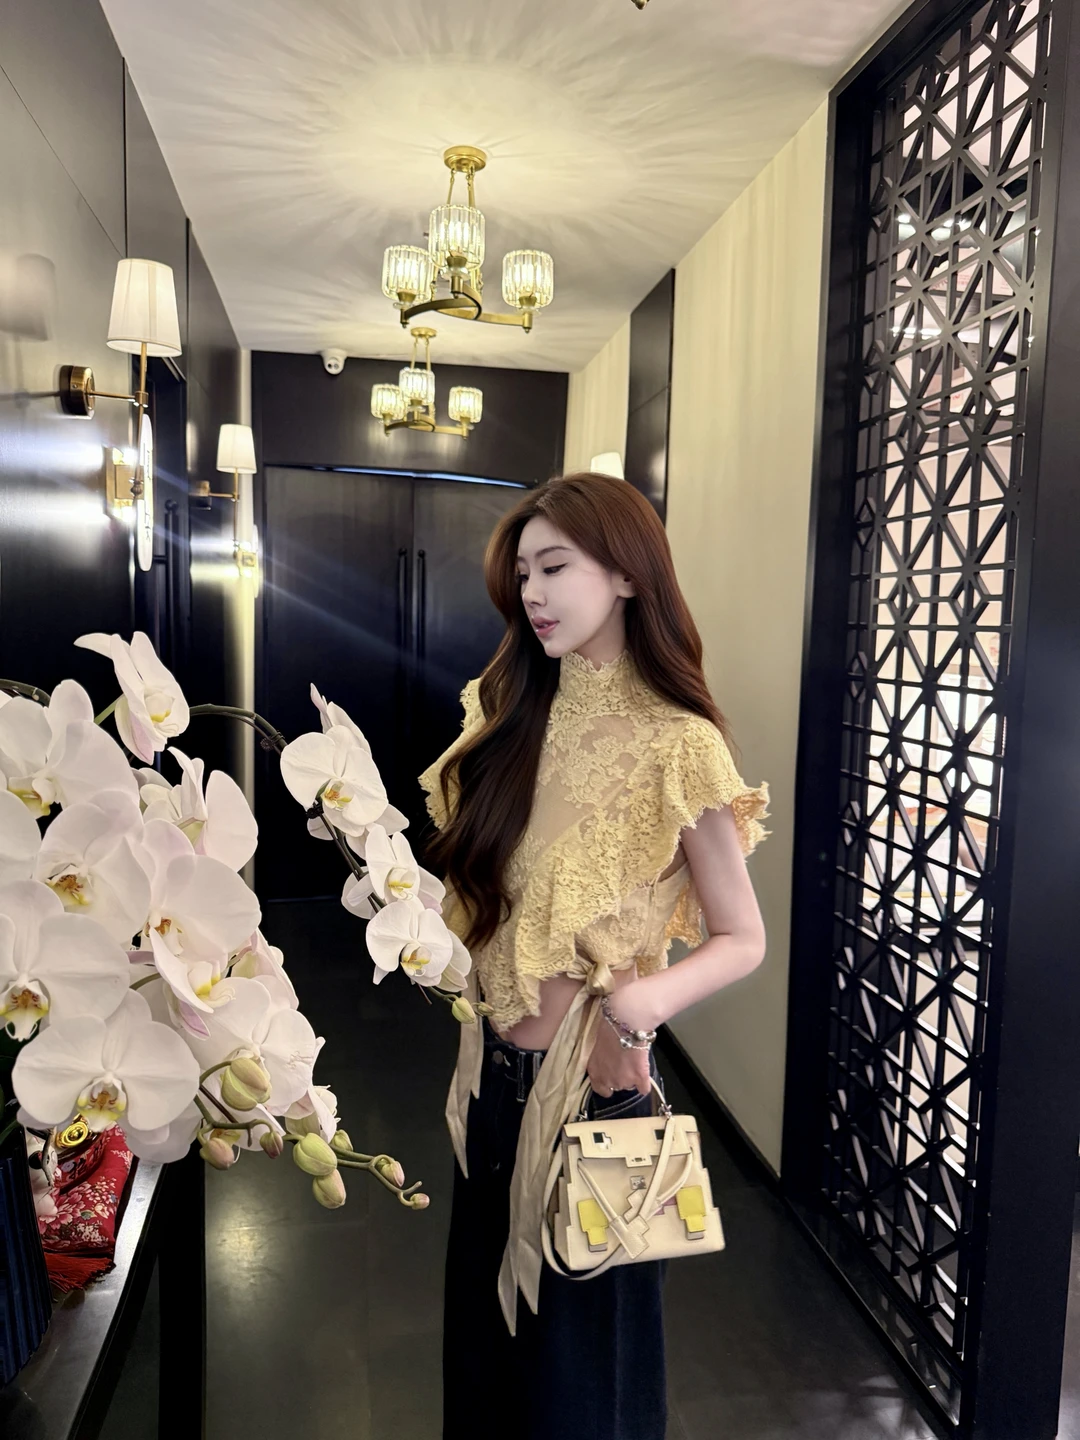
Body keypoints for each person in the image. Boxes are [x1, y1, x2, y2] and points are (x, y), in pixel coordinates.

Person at [418, 472, 769, 1440]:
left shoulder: (678, 746)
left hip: (593, 1098)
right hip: (489, 1087)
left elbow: (744, 938)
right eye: (522, 573)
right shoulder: (506, 716)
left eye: (554, 567)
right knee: (485, 1372)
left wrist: (635, 1010)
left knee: (583, 1397)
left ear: (625, 573)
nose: (531, 592)